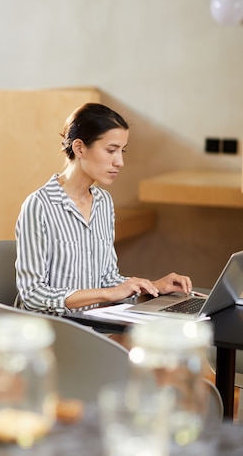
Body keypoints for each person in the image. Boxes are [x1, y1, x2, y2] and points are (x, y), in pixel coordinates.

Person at [15, 102, 192, 315]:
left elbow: (108, 278)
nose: (120, 162)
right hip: (54, 331)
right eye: (111, 150)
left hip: (94, 325)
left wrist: (154, 286)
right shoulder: (39, 206)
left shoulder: (103, 202)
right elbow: (33, 295)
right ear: (79, 148)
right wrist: (106, 294)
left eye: (122, 150)